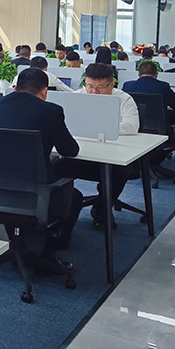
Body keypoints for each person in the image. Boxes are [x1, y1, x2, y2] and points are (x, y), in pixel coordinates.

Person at [0, 69, 82, 264]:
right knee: (75, 197)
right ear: (45, 91)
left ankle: (20, 242)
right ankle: (49, 251)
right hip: (33, 199)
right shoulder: (51, 111)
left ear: (15, 88)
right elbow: (70, 150)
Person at [57, 64, 140, 228]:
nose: (94, 92)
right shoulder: (76, 97)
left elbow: (132, 126)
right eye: (89, 86)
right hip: (80, 154)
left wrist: (99, 127)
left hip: (113, 156)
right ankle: (59, 214)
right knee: (54, 166)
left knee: (121, 170)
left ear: (111, 84)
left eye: (100, 88)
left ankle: (102, 208)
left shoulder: (123, 99)